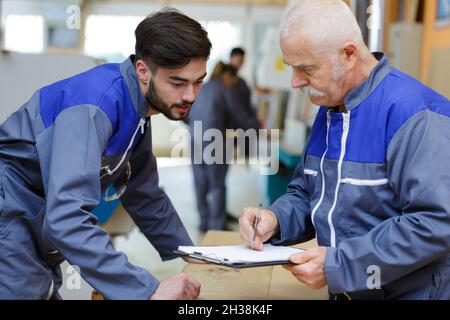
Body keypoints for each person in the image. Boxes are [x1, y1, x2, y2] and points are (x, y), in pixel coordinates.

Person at [240, 0, 450, 300]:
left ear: (349, 54)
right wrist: (276, 220)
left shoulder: (415, 115)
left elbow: (436, 221)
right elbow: (308, 193)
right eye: (291, 68)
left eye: (306, 68)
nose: (295, 82)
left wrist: (339, 265)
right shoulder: (329, 111)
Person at [0, 8, 211, 300]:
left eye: (198, 81)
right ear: (143, 70)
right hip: (10, 218)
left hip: (34, 222)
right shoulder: (95, 107)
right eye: (178, 83)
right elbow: (67, 218)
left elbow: (142, 192)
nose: (190, 95)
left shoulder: (136, 109)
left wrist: (193, 253)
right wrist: (148, 291)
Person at [188, 62, 259, 231]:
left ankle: (203, 222)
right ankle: (216, 226)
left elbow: (186, 115)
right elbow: (239, 115)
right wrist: (258, 125)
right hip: (215, 142)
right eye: (233, 80)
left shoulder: (201, 89)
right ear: (228, 77)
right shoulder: (224, 89)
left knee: (200, 183)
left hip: (195, 139)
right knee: (217, 185)